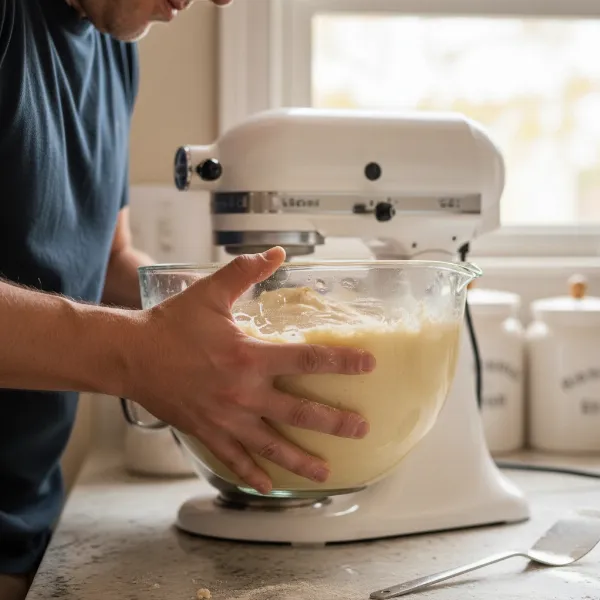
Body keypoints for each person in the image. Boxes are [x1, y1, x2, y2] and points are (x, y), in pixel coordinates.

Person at [0, 0, 376, 598]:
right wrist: (143, 356)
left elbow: (106, 262)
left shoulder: (113, 45)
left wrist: (241, 323)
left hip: (27, 529)